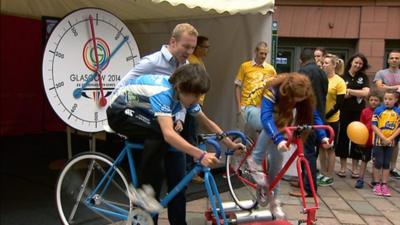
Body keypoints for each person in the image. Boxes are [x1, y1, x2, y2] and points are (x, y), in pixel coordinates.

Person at [107, 64, 244, 224]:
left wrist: (230, 144)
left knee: (163, 137)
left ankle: (147, 189)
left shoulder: (183, 94)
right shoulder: (163, 92)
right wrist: (201, 154)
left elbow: (207, 122)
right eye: (195, 95)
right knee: (161, 132)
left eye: (199, 95)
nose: (197, 99)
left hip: (138, 110)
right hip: (119, 112)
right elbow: (168, 134)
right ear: (180, 87)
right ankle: (140, 191)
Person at [113, 23, 197, 225]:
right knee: (153, 184)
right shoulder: (151, 62)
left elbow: (183, 101)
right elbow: (121, 87)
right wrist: (138, 111)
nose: (189, 52)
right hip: (147, 128)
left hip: (169, 128)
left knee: (179, 182)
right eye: (186, 46)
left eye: (192, 48)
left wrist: (179, 118)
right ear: (173, 42)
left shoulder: (185, 67)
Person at [247, 73, 331, 219]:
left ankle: (274, 201)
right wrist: (279, 139)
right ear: (288, 92)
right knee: (271, 123)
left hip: (279, 122)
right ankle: (255, 159)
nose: (297, 101)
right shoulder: (273, 89)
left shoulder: (305, 94)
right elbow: (265, 117)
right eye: (295, 99)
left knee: (277, 164)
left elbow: (314, 116)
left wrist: (323, 136)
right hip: (254, 113)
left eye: (300, 99)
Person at [289, 49, 328, 198]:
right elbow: (324, 93)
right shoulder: (322, 72)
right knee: (309, 152)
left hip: (307, 117)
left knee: (307, 153)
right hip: (319, 115)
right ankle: (303, 181)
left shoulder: (303, 71)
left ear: (300, 60)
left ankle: (308, 189)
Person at [336, 53, 370, 178]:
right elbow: (341, 94)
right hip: (344, 111)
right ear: (351, 62)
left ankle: (355, 168)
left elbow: (366, 93)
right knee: (343, 138)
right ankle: (343, 167)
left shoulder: (363, 76)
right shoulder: (342, 75)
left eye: (360, 63)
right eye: (356, 62)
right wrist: (358, 92)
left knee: (357, 139)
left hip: (358, 112)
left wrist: (350, 91)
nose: (358, 65)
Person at [234, 41, 277, 136]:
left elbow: (274, 90)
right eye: (261, 53)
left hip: (262, 108)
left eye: (265, 54)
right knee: (241, 136)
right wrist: (238, 108)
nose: (263, 56)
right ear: (256, 52)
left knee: (261, 136)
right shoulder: (245, 66)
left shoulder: (271, 69)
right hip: (245, 107)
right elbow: (237, 86)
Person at [318, 54, 346, 186]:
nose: (324, 65)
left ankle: (329, 175)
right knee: (321, 147)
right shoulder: (321, 79)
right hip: (320, 119)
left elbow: (339, 104)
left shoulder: (339, 81)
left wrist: (327, 116)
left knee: (330, 148)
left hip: (332, 120)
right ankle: (322, 172)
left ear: (334, 65)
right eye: (323, 63)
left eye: (327, 63)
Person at [186, 35, 211, 184]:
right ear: (198, 47)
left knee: (192, 134)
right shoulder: (192, 61)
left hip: (196, 103)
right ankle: (189, 171)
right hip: (192, 104)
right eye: (206, 47)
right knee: (190, 135)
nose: (208, 50)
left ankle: (190, 169)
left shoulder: (198, 61)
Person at [373, 50, 400, 179]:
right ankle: (378, 166)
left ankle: (392, 167)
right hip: (383, 112)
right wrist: (397, 87)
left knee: (395, 141)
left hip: (398, 112)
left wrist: (387, 87)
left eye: (397, 58)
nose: (394, 60)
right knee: (380, 137)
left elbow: (384, 87)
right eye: (392, 58)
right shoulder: (381, 73)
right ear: (388, 60)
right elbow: (379, 88)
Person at [371, 89, 400, 196]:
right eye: (385, 99)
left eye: (390, 99)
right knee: (378, 162)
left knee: (386, 163)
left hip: (391, 142)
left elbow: (399, 128)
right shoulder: (378, 110)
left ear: (396, 100)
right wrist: (383, 138)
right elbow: (374, 125)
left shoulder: (398, 112)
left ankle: (384, 184)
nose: (387, 101)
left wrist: (390, 138)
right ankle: (377, 184)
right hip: (379, 142)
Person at [355, 91, 382, 189]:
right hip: (367, 141)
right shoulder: (365, 111)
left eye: (376, 100)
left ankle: (375, 181)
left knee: (376, 162)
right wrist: (361, 140)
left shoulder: (382, 112)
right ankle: (360, 179)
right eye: (371, 100)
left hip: (378, 142)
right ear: (368, 101)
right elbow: (361, 127)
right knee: (364, 160)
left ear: (380, 101)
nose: (373, 102)